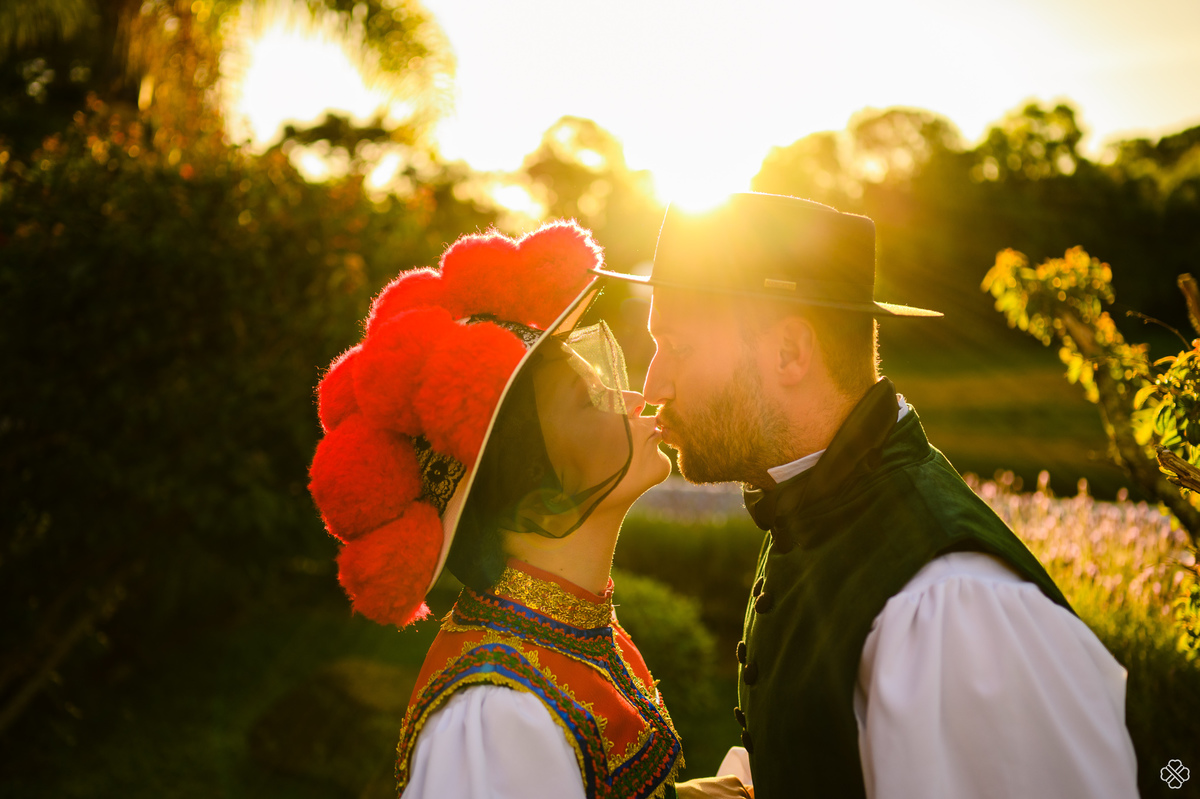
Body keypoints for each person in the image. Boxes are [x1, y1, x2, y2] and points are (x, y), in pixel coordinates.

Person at [595, 192, 1140, 799]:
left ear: (789, 354)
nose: (652, 384)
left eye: (678, 346)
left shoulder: (949, 605)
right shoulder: (813, 501)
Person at [307, 221, 749, 799]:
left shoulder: (564, 634)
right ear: (540, 491)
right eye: (590, 401)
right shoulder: (498, 714)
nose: (637, 398)